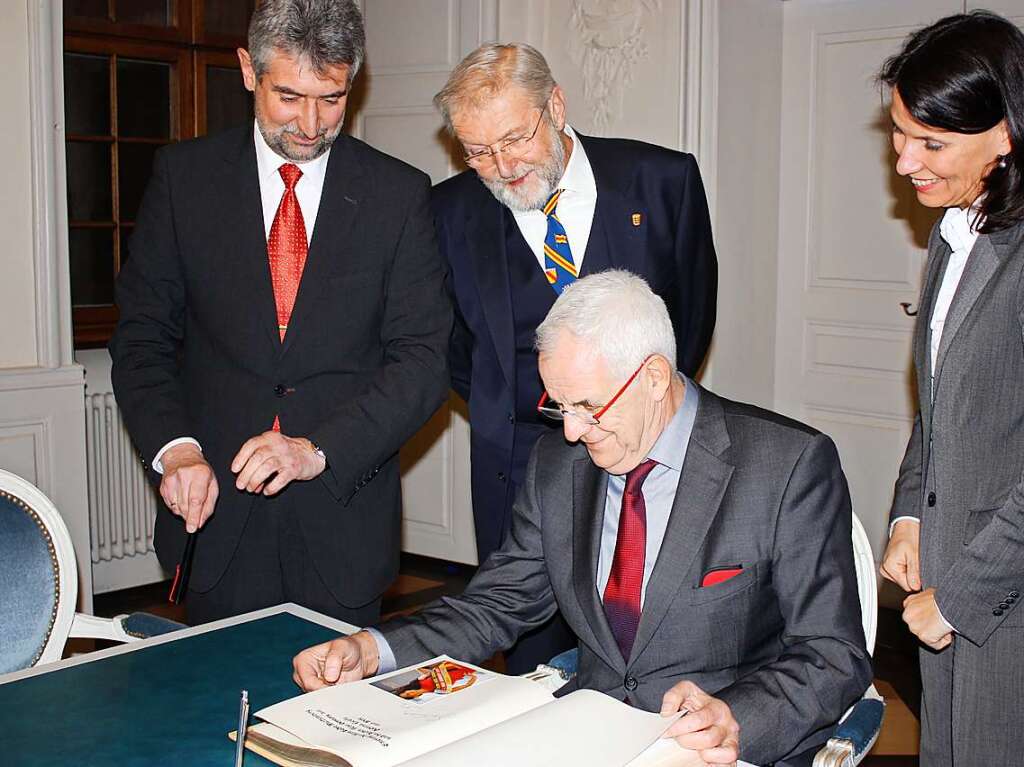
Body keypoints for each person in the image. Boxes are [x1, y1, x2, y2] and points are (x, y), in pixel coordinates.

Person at [293, 271, 870, 767]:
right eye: (557, 406)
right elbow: (498, 604)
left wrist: (734, 717)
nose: (570, 431)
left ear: (653, 378)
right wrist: (374, 650)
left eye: (588, 407)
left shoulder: (785, 465)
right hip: (586, 738)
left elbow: (831, 654)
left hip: (713, 749)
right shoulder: (560, 464)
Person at [109, 0, 450, 626]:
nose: (312, 124)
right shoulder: (184, 181)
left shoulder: (397, 195)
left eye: (332, 98)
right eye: (289, 97)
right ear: (248, 70)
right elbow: (142, 340)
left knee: (340, 722)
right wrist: (176, 450)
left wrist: (316, 450)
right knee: (219, 715)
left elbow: (425, 362)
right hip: (216, 519)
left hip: (340, 519)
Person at [432, 43, 718, 673]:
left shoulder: (663, 183)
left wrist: (629, 412)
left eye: (514, 139)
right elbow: (456, 350)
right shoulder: (449, 212)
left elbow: (688, 320)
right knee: (531, 661)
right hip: (515, 468)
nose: (502, 166)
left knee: (645, 644)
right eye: (477, 151)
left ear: (555, 106)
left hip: (647, 457)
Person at [878, 11, 1024, 766]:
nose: (905, 161)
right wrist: (909, 515)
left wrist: (963, 593)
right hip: (951, 579)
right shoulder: (954, 229)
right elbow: (934, 409)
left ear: (1006, 134)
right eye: (899, 133)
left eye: (932, 143)